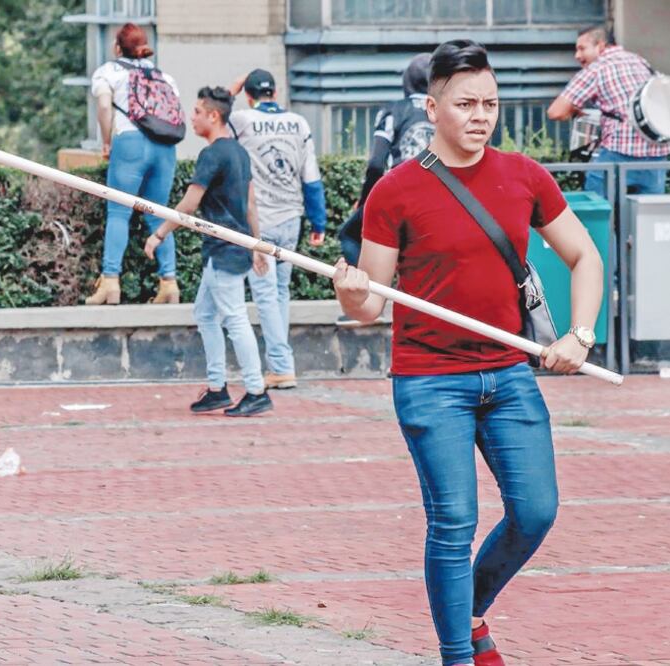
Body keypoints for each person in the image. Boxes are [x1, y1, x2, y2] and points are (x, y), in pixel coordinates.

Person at [333, 40, 603, 666]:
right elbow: (370, 304)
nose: (480, 115)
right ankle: (458, 654)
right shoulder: (395, 192)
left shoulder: (524, 176)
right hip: (429, 379)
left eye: (490, 104)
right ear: (432, 108)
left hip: (509, 374)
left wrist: (579, 334)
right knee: (453, 523)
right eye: (464, 104)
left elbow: (584, 256)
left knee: (536, 511)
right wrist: (351, 293)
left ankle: (471, 610)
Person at [145, 87, 273, 417]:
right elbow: (251, 203)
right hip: (234, 247)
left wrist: (159, 234)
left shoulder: (213, 154)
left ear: (213, 116)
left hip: (225, 249)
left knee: (234, 318)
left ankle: (256, 391)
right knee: (205, 313)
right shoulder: (239, 152)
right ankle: (218, 388)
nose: (192, 117)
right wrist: (256, 244)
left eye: (198, 112)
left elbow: (190, 203)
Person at [226, 68, 327, 390]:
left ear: (249, 94)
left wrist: (231, 91)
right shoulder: (298, 123)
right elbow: (311, 176)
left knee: (267, 296)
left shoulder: (242, 119)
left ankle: (282, 367)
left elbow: (215, 119)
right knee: (280, 293)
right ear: (276, 93)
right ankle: (281, 364)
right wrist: (319, 221)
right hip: (291, 219)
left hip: (261, 220)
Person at [86, 23, 180, 306]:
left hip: (130, 143)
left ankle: (110, 283)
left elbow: (104, 106)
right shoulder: (164, 76)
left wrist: (106, 141)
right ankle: (169, 283)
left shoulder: (109, 71)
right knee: (159, 214)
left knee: (118, 212)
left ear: (117, 47)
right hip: (165, 147)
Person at [547, 26, 669, 196]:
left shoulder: (597, 68)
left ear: (601, 46)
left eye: (582, 49)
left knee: (597, 206)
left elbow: (556, 112)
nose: (577, 56)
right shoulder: (640, 61)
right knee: (648, 216)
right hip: (657, 153)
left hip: (620, 150)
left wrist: (575, 111)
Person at [339, 53, 433, 266]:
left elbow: (375, 164)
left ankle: (368, 290)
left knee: (349, 236)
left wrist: (364, 202)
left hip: (402, 196)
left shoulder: (393, 111)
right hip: (442, 198)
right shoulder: (447, 111)